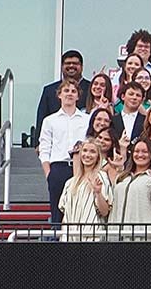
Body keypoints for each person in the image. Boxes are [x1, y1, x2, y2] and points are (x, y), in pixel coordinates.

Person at [37, 80, 92, 223]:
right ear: (59, 95)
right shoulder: (50, 120)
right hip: (58, 168)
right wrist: (49, 173)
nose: (70, 94)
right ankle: (57, 241)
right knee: (57, 211)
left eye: (73, 91)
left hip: (81, 168)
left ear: (78, 96)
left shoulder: (87, 119)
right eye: (66, 91)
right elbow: (44, 148)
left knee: (80, 208)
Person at [109, 138, 151, 241]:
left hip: (143, 238)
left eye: (145, 152)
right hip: (116, 237)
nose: (140, 155)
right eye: (137, 151)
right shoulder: (122, 177)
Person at [56, 140, 114, 242]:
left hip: (92, 238)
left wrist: (98, 192)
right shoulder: (70, 182)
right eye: (85, 150)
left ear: (98, 157)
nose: (87, 155)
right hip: (69, 238)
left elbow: (104, 212)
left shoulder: (101, 177)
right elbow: (65, 214)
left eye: (92, 151)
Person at [33, 51, 89, 138]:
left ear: (82, 67)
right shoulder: (49, 90)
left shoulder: (91, 88)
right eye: (67, 63)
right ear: (62, 67)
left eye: (75, 63)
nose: (71, 66)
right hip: (55, 143)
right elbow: (41, 118)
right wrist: (38, 144)